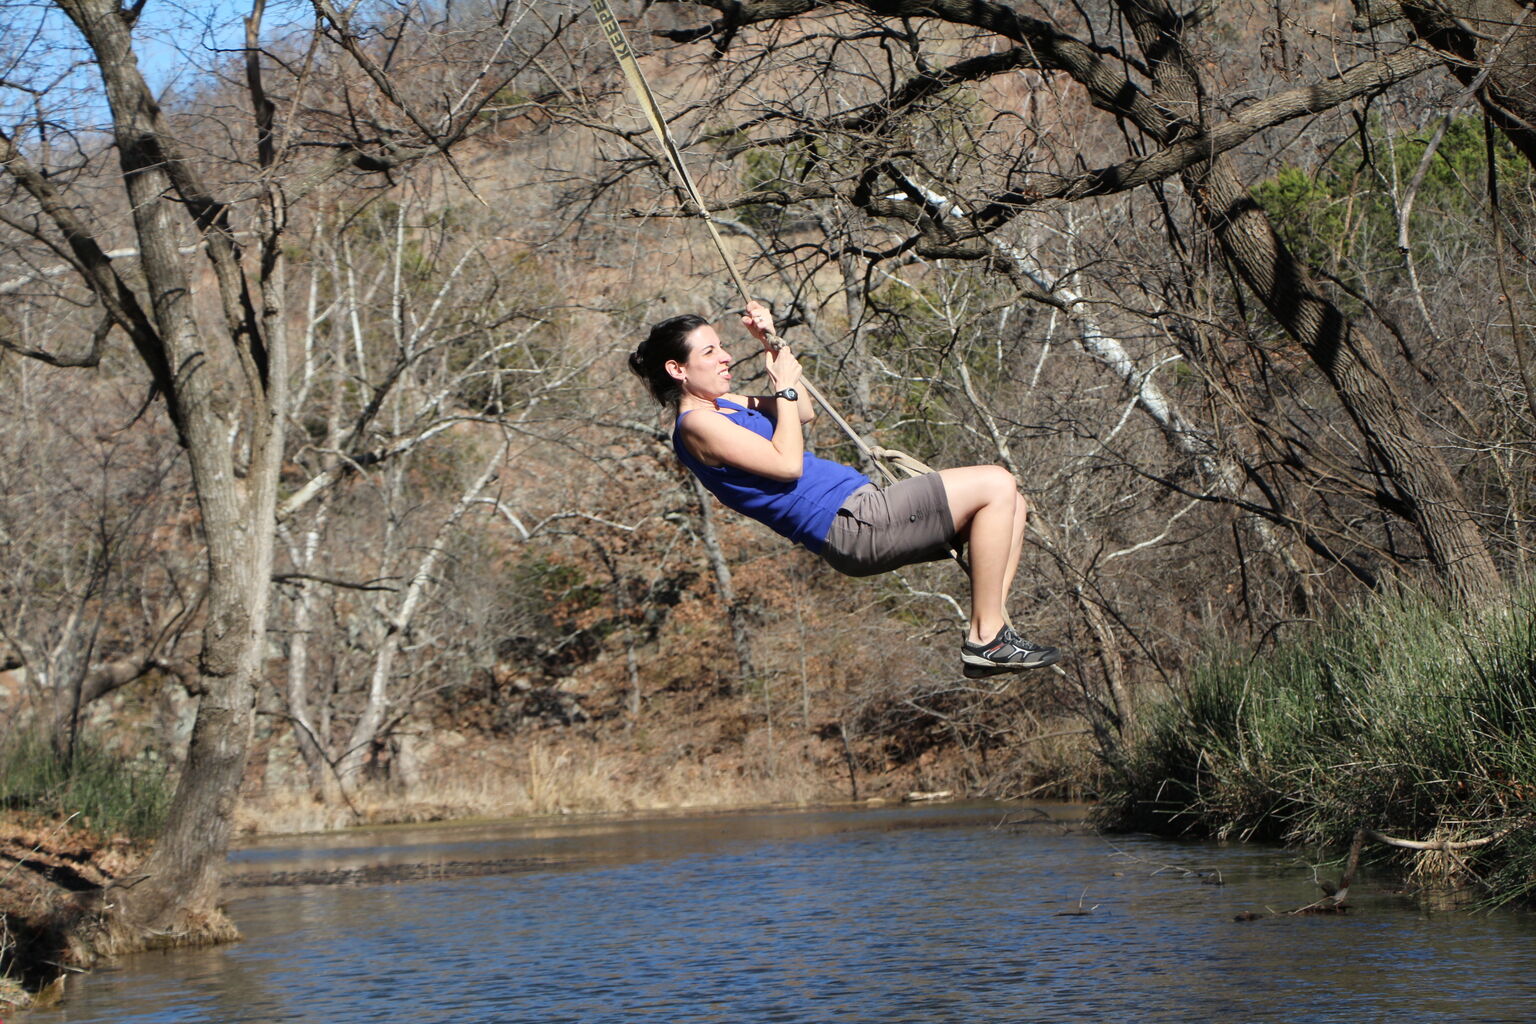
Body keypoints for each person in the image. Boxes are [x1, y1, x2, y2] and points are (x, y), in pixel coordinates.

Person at [628, 300, 1060, 677]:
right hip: (849, 523)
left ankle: (991, 631)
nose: (726, 357)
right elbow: (787, 464)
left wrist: (770, 343)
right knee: (996, 482)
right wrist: (784, 388)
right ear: (677, 369)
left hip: (862, 509)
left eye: (722, 346)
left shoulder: (726, 404)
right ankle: (987, 637)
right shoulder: (697, 425)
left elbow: (803, 411)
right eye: (710, 352)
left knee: (1013, 504)